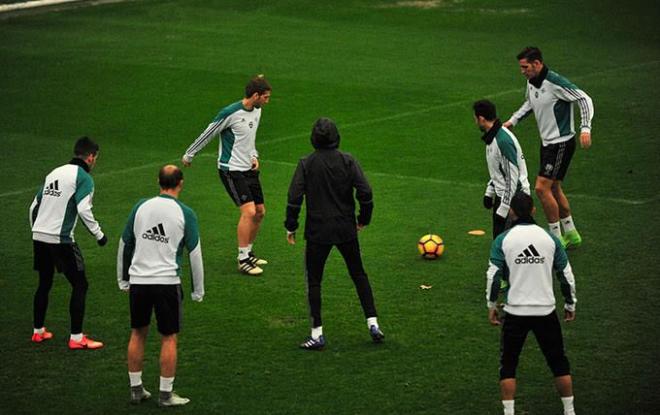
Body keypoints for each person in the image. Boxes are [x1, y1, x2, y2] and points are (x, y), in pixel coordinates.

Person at [285, 117, 383, 350]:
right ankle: (373, 323)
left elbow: (294, 198)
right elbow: (366, 192)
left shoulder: (306, 164)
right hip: (346, 228)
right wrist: (363, 219)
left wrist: (291, 226)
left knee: (315, 280)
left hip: (318, 231)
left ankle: (317, 333)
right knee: (359, 274)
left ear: (313, 139)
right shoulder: (348, 161)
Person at [117, 165, 205, 407]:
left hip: (139, 282)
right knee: (169, 337)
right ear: (181, 183)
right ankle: (165, 394)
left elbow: (125, 243)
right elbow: (195, 253)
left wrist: (123, 279)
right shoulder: (185, 213)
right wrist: (198, 290)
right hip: (166, 282)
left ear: (158, 181)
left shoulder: (140, 207)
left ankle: (136, 389)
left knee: (137, 332)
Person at [485, 192, 578, 415]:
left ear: (512, 212)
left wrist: (491, 305)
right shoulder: (550, 239)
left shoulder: (503, 240)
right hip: (545, 311)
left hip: (515, 311)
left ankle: (509, 412)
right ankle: (569, 410)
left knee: (508, 365)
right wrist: (570, 303)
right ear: (534, 210)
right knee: (558, 362)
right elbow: (566, 275)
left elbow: (493, 275)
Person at [503, 46, 594, 248]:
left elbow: (584, 98)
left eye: (525, 67)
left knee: (541, 188)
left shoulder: (555, 82)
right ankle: (571, 232)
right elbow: (530, 103)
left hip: (560, 143)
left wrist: (585, 127)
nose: (522, 71)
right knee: (553, 187)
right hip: (548, 144)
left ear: (537, 63)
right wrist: (513, 121)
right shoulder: (531, 82)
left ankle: (555, 237)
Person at [182, 75, 271, 276]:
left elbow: (250, 138)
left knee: (260, 212)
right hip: (231, 170)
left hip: (249, 168)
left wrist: (254, 155)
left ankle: (248, 252)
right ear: (255, 95)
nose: (267, 101)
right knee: (248, 212)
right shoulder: (230, 113)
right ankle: (242, 260)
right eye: (265, 97)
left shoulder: (257, 111)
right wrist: (190, 153)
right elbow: (209, 132)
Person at [29, 136, 106, 349]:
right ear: (90, 157)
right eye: (96, 157)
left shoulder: (54, 172)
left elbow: (33, 206)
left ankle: (38, 332)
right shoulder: (84, 178)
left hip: (39, 236)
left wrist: (36, 231)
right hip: (60, 240)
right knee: (80, 284)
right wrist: (99, 235)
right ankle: (76, 337)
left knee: (44, 283)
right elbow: (83, 209)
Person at [473, 99, 531, 239]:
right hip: (505, 195)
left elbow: (513, 179)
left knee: (507, 245)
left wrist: (504, 208)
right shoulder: (493, 136)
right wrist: (490, 191)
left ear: (481, 119)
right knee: (501, 243)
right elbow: (499, 171)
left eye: (475, 119)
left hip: (515, 199)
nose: (475, 122)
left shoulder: (502, 141)